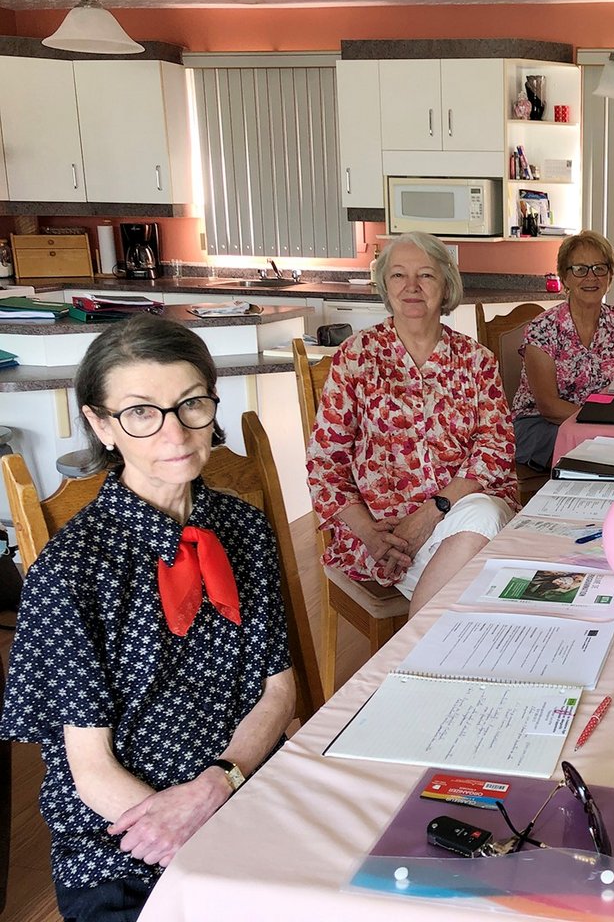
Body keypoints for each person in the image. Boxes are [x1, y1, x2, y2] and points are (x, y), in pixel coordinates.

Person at [0, 315, 296, 922]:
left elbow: (278, 688)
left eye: (190, 404)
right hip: (128, 840)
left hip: (244, 795)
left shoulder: (243, 528)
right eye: (141, 412)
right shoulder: (71, 569)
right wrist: (189, 833)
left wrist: (222, 784)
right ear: (101, 424)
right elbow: (91, 769)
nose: (175, 432)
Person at [307, 231, 517, 615]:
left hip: (460, 512)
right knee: (482, 576)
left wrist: (429, 515)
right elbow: (325, 464)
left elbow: (495, 450)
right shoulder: (355, 358)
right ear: (385, 286)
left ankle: (411, 655)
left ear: (446, 285)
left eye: (426, 275)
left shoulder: (476, 360)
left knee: (484, 516)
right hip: (384, 535)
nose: (412, 287)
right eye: (398, 276)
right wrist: (371, 534)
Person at [512, 230, 614, 470]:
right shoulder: (543, 329)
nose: (591, 277)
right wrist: (604, 422)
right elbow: (548, 406)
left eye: (599, 268)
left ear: (609, 276)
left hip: (597, 418)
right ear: (565, 277)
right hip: (541, 425)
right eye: (580, 269)